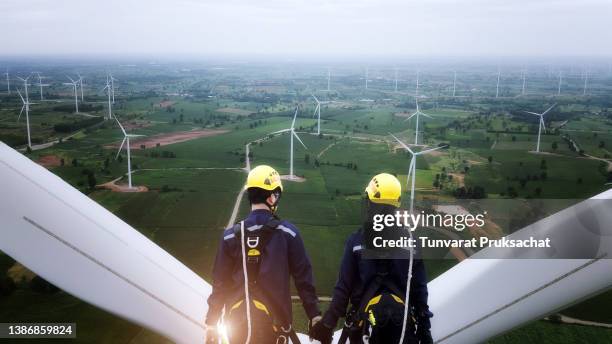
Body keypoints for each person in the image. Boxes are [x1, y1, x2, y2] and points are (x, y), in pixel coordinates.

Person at [310, 173, 433, 344]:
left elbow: (343, 289)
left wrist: (327, 324)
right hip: (403, 331)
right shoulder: (411, 243)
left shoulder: (356, 242)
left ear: (370, 202)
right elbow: (420, 291)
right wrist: (424, 328)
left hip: (363, 331)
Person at [204, 165, 321, 344]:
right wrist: (314, 315)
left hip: (237, 330)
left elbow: (220, 284)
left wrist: (211, 323)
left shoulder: (230, 236)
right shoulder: (288, 233)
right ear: (272, 196)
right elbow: (303, 280)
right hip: (277, 330)